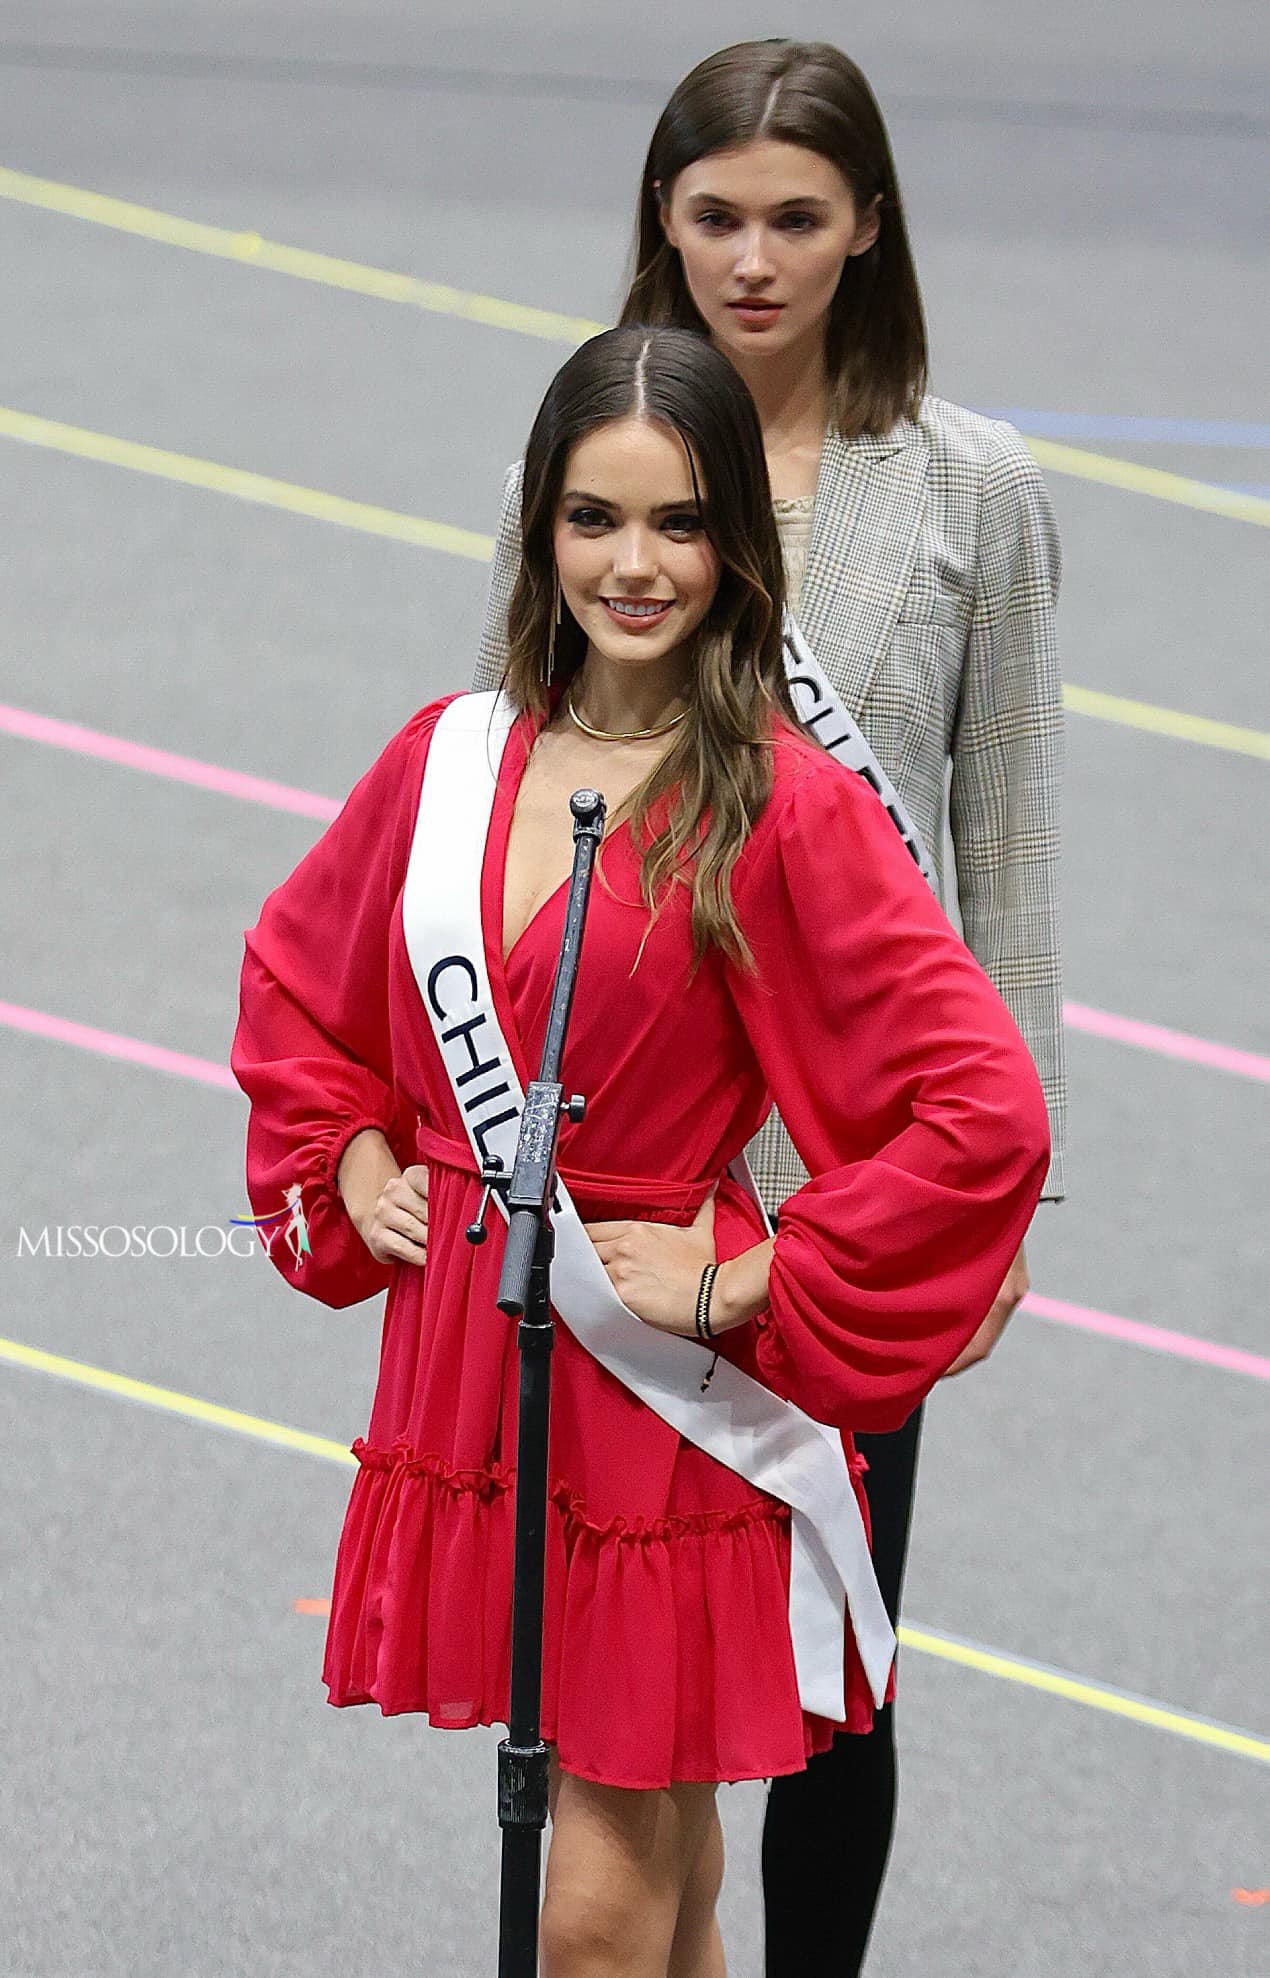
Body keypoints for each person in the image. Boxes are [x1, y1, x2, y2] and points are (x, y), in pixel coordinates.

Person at [234, 324, 1049, 1978]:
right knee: (663, 1881)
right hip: (479, 1360)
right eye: (594, 518)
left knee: (594, 1918)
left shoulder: (781, 804)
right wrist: (350, 1155)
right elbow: (296, 986)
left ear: (734, 543)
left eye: (679, 523)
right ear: (539, 529)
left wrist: (749, 1270)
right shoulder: (446, 760)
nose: (635, 564)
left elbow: (982, 1107)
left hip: (652, 1402)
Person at [471, 40, 1065, 1973]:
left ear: (867, 228)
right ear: (661, 215)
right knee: (632, 1685)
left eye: (796, 219)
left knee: (829, 1654)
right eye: (713, 215)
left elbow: (1004, 842)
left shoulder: (972, 488)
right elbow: (517, 781)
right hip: (634, 1159)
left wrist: (998, 1209)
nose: (752, 259)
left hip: (845, 1183)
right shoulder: (593, 450)